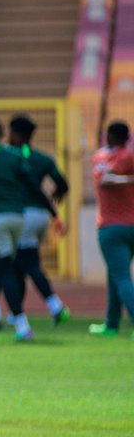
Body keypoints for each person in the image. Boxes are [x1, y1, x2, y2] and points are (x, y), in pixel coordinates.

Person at [0, 113, 59, 342]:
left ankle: (21, 325)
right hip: (18, 217)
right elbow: (34, 186)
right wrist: (54, 213)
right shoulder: (13, 155)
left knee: (3, 270)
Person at [8, 115, 71, 325]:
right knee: (19, 265)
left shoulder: (11, 156)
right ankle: (15, 311)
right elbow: (63, 184)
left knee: (29, 263)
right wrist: (55, 197)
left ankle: (55, 304)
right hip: (41, 216)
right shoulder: (43, 159)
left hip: (21, 216)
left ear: (15, 134)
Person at [89, 120, 134, 338]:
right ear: (128, 137)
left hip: (111, 227)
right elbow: (108, 180)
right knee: (114, 274)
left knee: (120, 276)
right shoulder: (129, 157)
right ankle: (111, 323)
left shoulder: (100, 157)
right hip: (130, 224)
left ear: (108, 136)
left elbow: (105, 179)